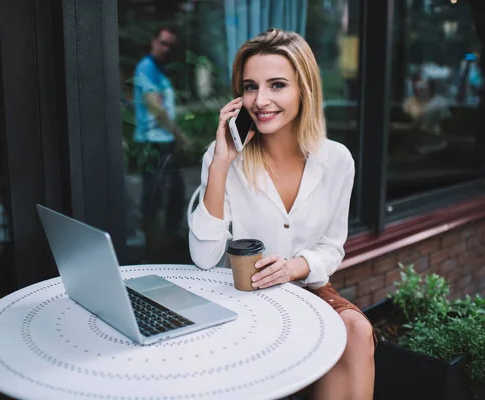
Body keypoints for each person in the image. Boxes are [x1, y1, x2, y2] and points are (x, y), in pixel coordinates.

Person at [189, 29, 375, 399]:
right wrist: (222, 164)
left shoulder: (336, 160)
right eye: (250, 86)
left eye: (277, 85)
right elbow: (204, 258)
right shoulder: (222, 156)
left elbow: (332, 247)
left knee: (356, 330)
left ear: (303, 90)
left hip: (305, 288)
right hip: (241, 295)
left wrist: (294, 267)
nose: (261, 100)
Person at [133, 25, 191, 258]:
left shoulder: (160, 69)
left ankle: (168, 240)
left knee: (174, 191)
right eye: (163, 43)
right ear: (153, 41)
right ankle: (151, 248)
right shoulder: (146, 67)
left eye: (170, 45)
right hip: (152, 142)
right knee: (154, 194)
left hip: (163, 140)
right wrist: (180, 136)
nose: (166, 48)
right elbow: (156, 108)